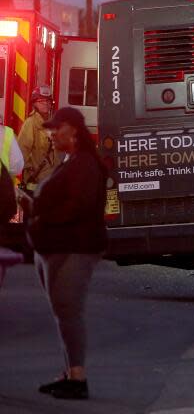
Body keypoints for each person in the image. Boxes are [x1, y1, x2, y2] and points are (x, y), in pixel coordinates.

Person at [26, 107, 107, 400]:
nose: (52, 134)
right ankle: (70, 372)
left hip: (76, 247)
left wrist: (43, 218)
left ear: (72, 129)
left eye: (56, 129)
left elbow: (79, 206)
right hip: (55, 247)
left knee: (68, 310)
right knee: (62, 312)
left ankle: (77, 377)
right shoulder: (70, 160)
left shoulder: (85, 164)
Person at [18, 85, 61, 190]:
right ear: (35, 103)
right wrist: (30, 169)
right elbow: (22, 151)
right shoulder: (30, 123)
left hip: (52, 181)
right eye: (42, 101)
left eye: (48, 101)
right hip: (36, 184)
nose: (46, 104)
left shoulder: (53, 123)